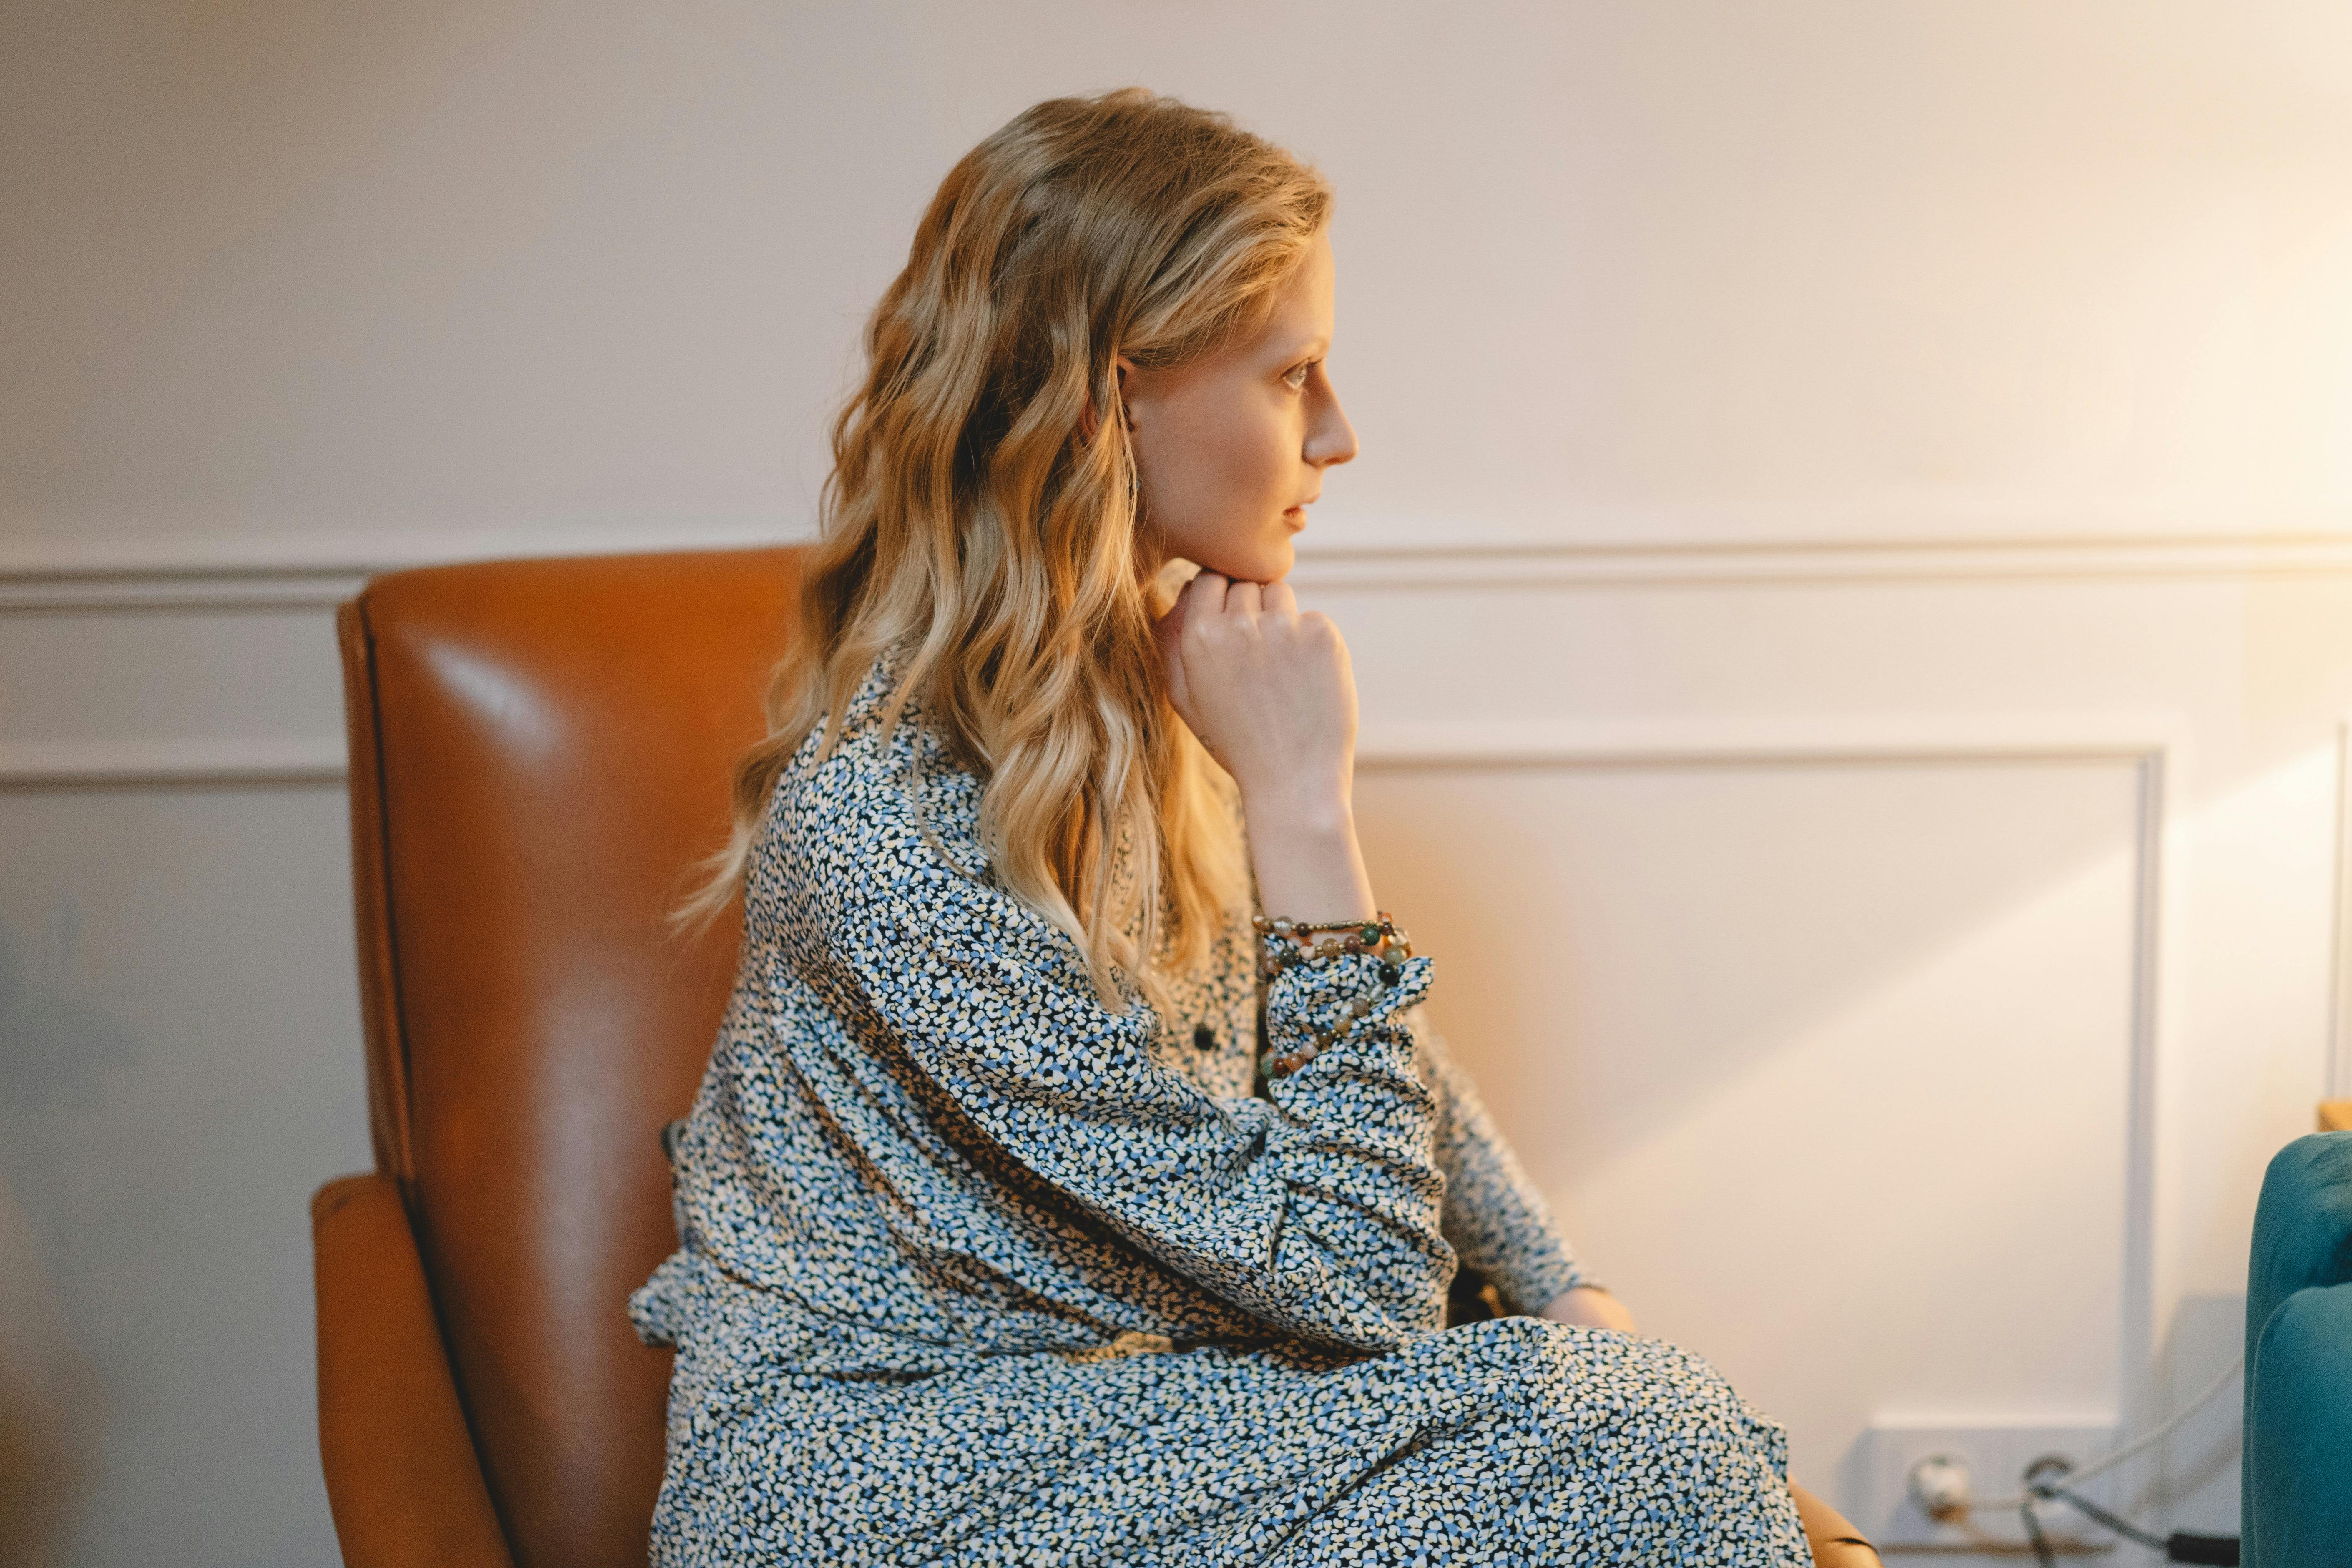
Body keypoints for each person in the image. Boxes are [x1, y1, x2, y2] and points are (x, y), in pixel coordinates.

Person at [631, 86, 1877, 1566]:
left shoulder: (1144, 702)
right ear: (1109, 399)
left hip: (1134, 1412)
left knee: (1650, 1433)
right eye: (1296, 376)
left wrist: (1559, 1289)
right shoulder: (885, 827)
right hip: (885, 1475)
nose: (1339, 436)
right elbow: (1362, 1285)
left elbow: (1360, 1059)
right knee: (1644, 1458)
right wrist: (1302, 802)